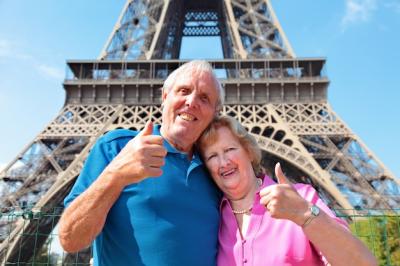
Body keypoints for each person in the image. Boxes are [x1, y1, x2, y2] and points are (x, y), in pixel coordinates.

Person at [58, 60, 224, 266]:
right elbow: (70, 239)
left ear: (215, 113)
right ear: (165, 96)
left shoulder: (218, 167)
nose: (192, 102)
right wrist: (116, 174)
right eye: (183, 90)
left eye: (204, 98)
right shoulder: (117, 147)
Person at [197, 116, 377, 266]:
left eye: (229, 149)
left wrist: (305, 214)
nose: (223, 162)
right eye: (212, 156)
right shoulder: (212, 217)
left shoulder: (301, 197)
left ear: (249, 152)